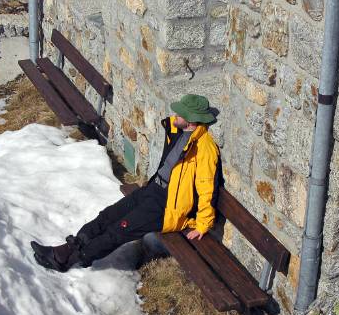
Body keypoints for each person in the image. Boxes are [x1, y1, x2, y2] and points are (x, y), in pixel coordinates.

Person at [31, 93, 222, 272]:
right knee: (107, 216)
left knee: (118, 230)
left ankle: (70, 259)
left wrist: (203, 224)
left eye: (179, 113)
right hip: (153, 189)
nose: (174, 115)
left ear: (190, 119)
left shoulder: (204, 148)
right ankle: (66, 248)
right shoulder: (179, 131)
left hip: (167, 206)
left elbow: (207, 189)